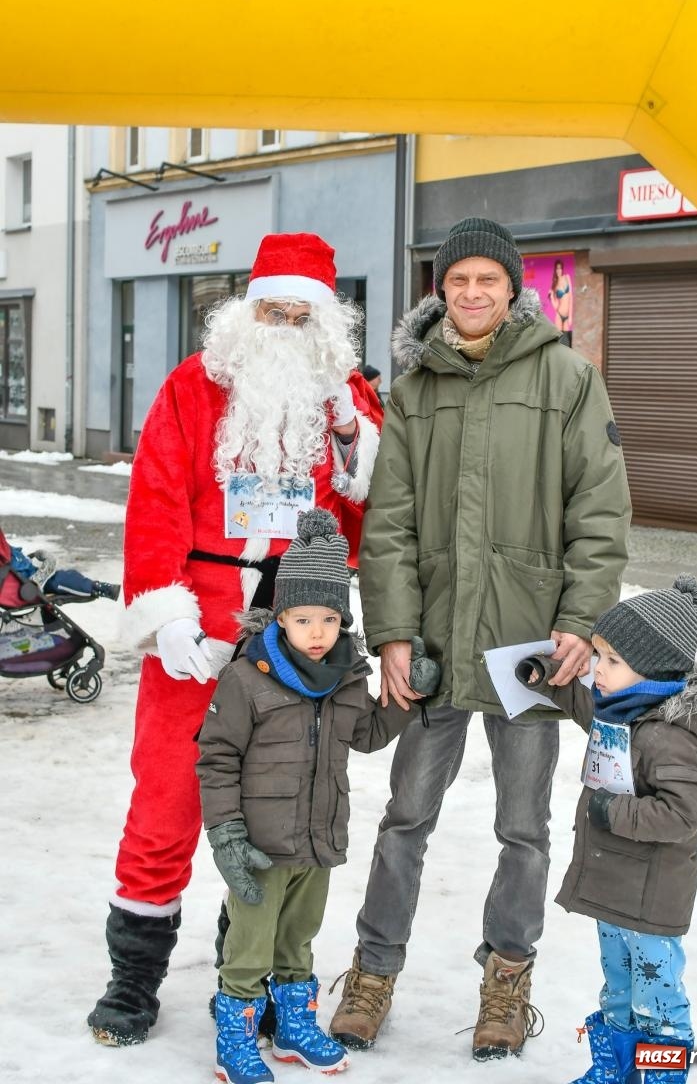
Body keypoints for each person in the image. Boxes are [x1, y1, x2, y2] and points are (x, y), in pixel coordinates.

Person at [329, 216, 631, 1061]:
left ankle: (507, 979)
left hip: (528, 647)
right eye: (457, 280)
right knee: (403, 821)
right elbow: (386, 522)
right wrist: (390, 631)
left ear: (512, 288)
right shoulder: (415, 385)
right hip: (431, 640)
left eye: (486, 281)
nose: (470, 294)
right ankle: (373, 973)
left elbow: (599, 511)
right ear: (441, 290)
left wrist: (577, 619)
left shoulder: (567, 378)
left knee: (523, 829)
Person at [88, 232, 383, 1048]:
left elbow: (371, 522)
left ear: (323, 321)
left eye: (301, 313)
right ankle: (133, 980)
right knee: (168, 800)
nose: (285, 325)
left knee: (274, 810)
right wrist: (166, 609)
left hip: (296, 640)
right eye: (272, 309)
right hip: (199, 625)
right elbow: (153, 496)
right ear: (245, 311)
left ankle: (241, 977)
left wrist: (355, 445)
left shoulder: (347, 400)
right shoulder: (193, 387)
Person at [196, 508, 418, 1084]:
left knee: (299, 938)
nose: (316, 633)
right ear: (281, 617)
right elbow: (216, 758)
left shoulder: (346, 678)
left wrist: (407, 696)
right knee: (248, 947)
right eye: (302, 619)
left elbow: (366, 735)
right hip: (259, 848)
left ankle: (293, 1025)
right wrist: (226, 836)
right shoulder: (247, 679)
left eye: (328, 618)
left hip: (317, 841)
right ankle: (236, 1035)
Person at [526, 576, 697, 1084]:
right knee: (619, 990)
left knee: (659, 1001)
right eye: (599, 657)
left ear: (653, 670)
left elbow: (682, 814)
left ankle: (661, 1075)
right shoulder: (626, 710)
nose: (598, 670)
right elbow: (586, 707)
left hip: (650, 899)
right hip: (616, 891)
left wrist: (611, 812)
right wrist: (545, 676)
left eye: (612, 662)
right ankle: (616, 1068)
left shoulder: (673, 739)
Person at [4, 539, 120, 601]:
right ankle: (98, 588)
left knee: (68, 575)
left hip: (21, 573)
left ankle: (95, 587)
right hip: (25, 585)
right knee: (61, 580)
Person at [548, 258, 573, 343]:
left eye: (560, 268)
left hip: (566, 316)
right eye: (557, 268)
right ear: (555, 270)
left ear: (562, 269)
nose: (559, 270)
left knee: (567, 341)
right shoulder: (555, 284)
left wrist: (570, 316)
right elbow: (556, 306)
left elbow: (571, 297)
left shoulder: (567, 277)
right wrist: (551, 298)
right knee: (559, 340)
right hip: (559, 314)